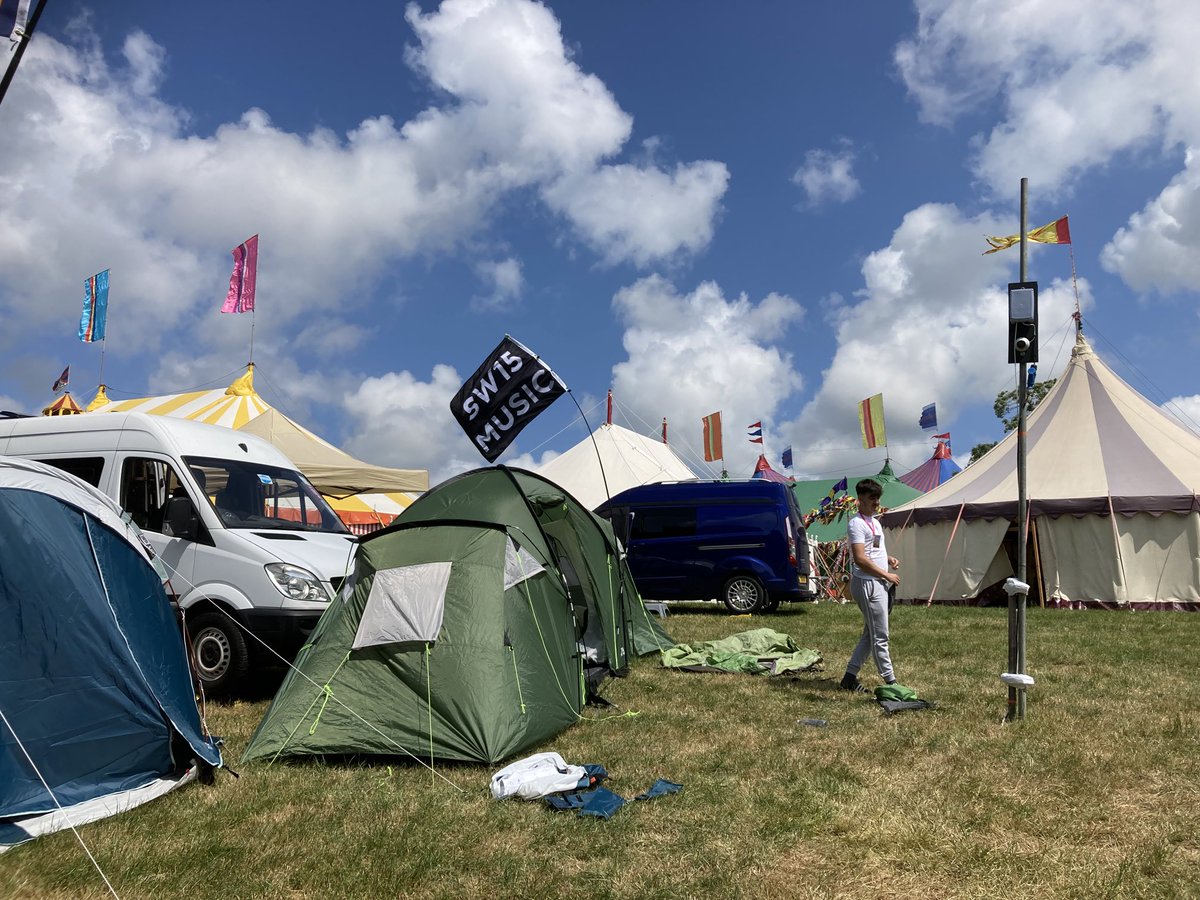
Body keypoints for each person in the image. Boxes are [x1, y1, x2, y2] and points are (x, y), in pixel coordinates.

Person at [839, 478, 901, 693]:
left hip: (878, 581)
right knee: (880, 635)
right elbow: (859, 559)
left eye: (878, 498)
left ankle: (849, 677)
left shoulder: (874, 522)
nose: (876, 502)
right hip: (868, 584)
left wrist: (888, 559)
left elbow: (872, 551)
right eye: (872, 498)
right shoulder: (856, 524)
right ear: (860, 499)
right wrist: (887, 574)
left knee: (870, 634)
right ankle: (891, 682)